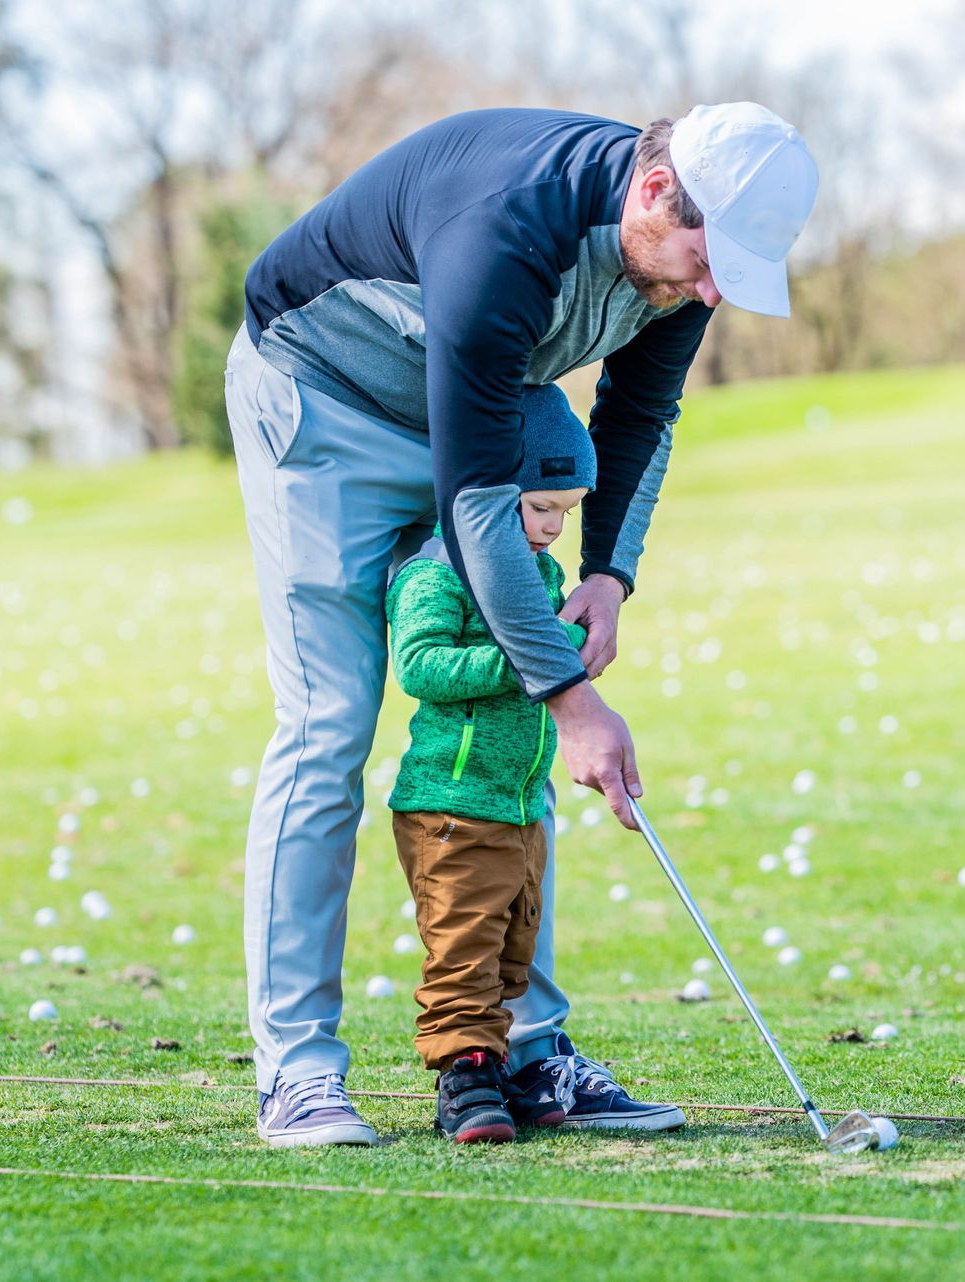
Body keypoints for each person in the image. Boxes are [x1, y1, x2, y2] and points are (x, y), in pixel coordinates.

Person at [224, 102, 817, 1146]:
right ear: (652, 191)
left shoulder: (683, 258)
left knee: (510, 721)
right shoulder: (506, 223)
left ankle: (526, 1054)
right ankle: (298, 1072)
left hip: (471, 423)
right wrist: (576, 699)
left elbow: (639, 414)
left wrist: (610, 576)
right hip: (321, 405)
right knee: (330, 721)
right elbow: (476, 501)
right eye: (706, 257)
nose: (711, 288)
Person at [385, 389, 665, 1140]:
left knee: (514, 944)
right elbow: (420, 667)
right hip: (451, 803)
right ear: (493, 493)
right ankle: (464, 1077)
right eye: (540, 507)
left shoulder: (540, 576)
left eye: (566, 513)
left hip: (518, 804)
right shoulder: (436, 573)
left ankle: (511, 1068)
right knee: (464, 947)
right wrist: (525, 659)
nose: (551, 528)